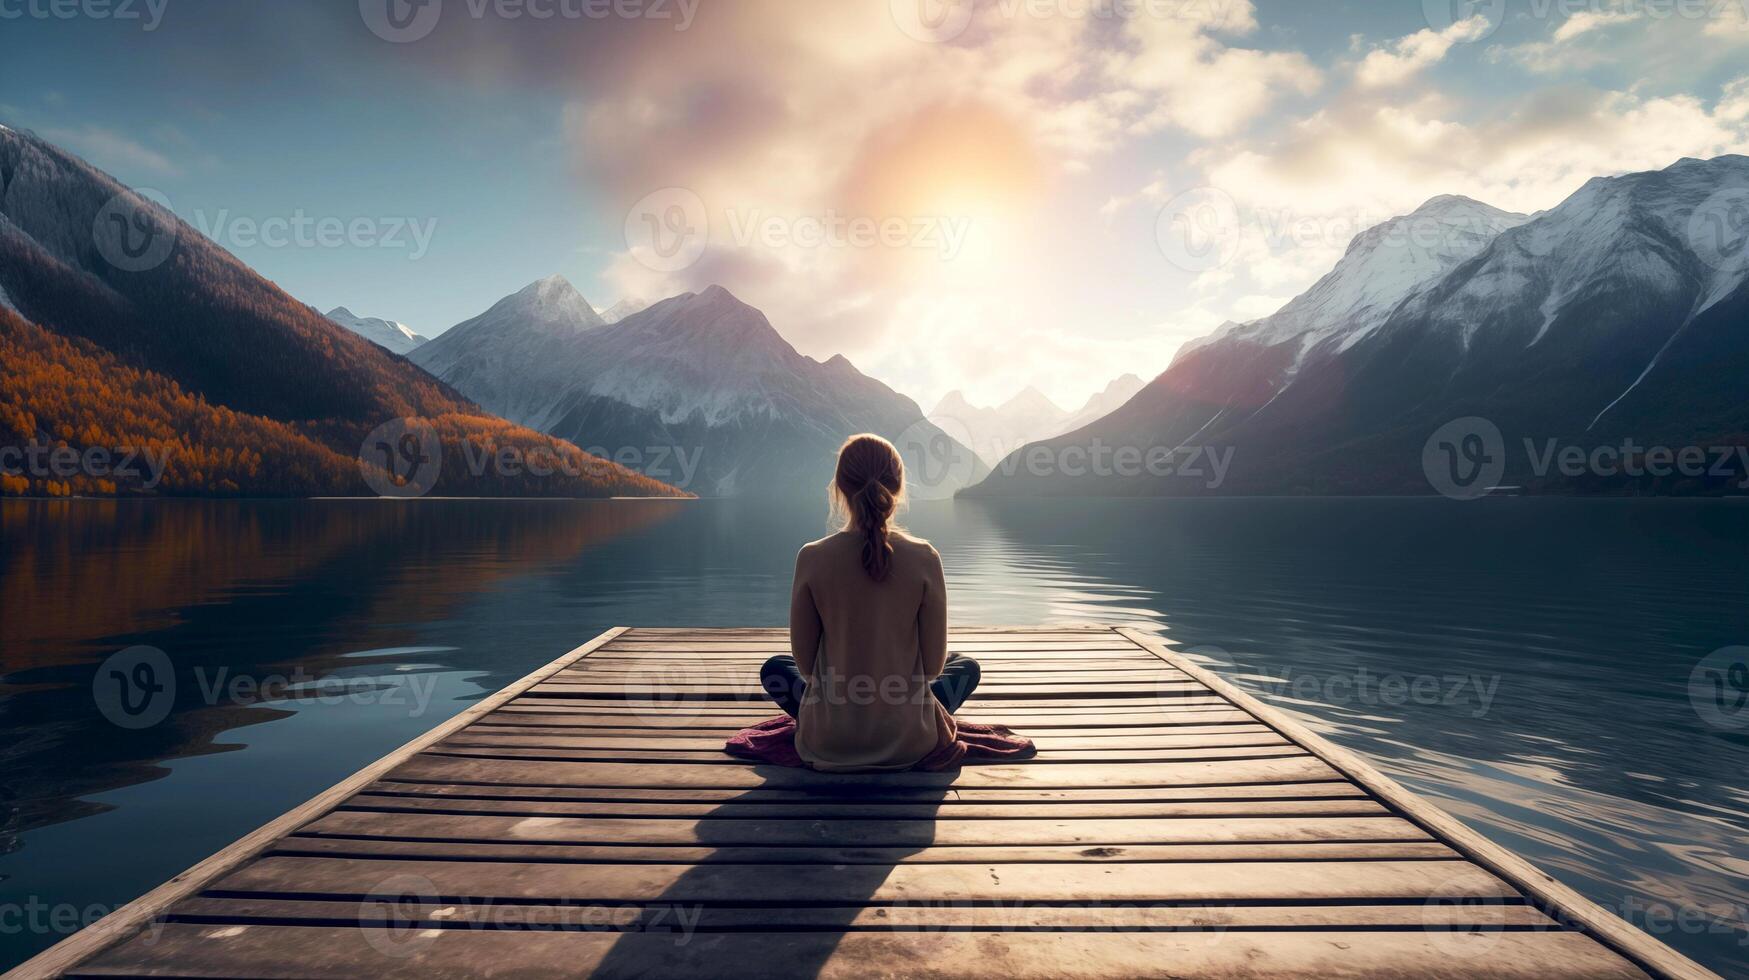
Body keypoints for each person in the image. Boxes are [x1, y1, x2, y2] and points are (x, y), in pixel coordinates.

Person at [759, 433, 981, 771]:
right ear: (898, 486)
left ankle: (842, 727)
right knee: (964, 666)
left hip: (828, 738)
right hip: (908, 739)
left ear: (839, 487)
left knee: (777, 668)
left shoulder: (812, 557)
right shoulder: (925, 557)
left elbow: (806, 668)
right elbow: (934, 668)